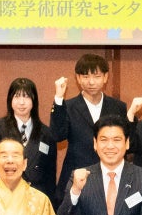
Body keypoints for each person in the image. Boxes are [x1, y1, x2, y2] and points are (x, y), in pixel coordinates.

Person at [0, 77, 58, 201]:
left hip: (35, 200)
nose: (21, 102)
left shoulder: (46, 133)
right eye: (17, 97)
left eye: (26, 97)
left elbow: (50, 175)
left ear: (34, 100)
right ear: (10, 100)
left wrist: (50, 203)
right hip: (2, 197)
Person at [49, 52, 117, 186]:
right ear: (78, 78)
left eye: (97, 76)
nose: (91, 82)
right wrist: (58, 98)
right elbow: (57, 136)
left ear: (105, 77)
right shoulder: (68, 106)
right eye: (86, 76)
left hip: (110, 178)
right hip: (76, 176)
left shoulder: (118, 106)